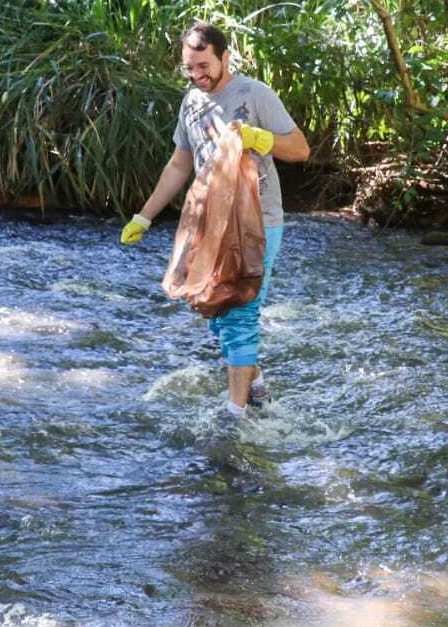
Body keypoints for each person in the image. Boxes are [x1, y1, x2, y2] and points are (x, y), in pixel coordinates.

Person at [119, 21, 310, 423]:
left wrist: (262, 139)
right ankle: (255, 385)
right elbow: (178, 164)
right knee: (212, 310)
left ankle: (235, 416)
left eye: (204, 66)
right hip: (210, 220)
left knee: (240, 310)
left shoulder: (254, 94)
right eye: (189, 68)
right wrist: (144, 215)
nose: (198, 76)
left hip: (260, 220)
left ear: (225, 57)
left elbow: (300, 149)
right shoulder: (191, 102)